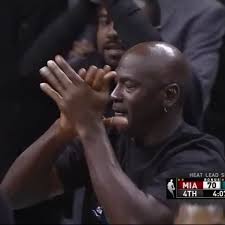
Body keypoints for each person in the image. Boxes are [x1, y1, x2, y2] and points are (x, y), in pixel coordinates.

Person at [1, 42, 225, 224]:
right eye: (115, 84)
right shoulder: (111, 138)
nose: (114, 95)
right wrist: (62, 130)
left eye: (129, 86)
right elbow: (12, 195)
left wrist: (90, 128)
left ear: (169, 95)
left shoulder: (206, 163)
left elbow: (137, 221)